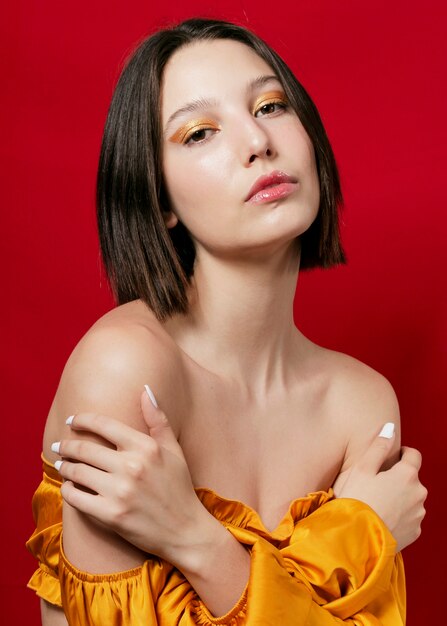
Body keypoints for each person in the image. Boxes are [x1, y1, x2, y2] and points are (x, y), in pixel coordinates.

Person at [26, 17, 427, 625]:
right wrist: (359, 532)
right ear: (158, 200)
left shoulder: (362, 405)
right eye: (200, 133)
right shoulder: (127, 371)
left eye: (270, 105)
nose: (258, 141)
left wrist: (192, 538)